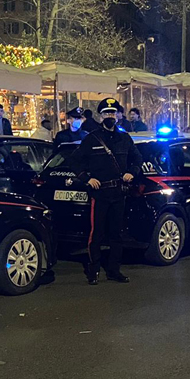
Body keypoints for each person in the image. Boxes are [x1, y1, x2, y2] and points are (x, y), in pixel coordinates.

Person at [66, 97, 142, 285]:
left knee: (116, 234)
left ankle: (114, 270)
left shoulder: (124, 138)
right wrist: (86, 178)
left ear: (118, 115)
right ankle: (94, 270)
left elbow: (137, 159)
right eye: (107, 113)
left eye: (113, 113)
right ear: (101, 116)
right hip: (99, 194)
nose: (110, 116)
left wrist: (131, 173)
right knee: (97, 233)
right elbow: (74, 161)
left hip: (119, 192)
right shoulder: (92, 139)